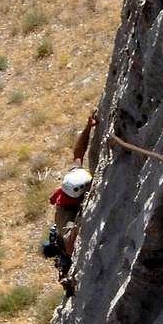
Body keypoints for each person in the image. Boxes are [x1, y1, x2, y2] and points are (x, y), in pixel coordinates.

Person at [44, 111, 96, 292]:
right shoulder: (66, 213)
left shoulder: (71, 183)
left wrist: (88, 127)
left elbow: (78, 153)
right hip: (64, 248)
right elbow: (69, 245)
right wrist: (81, 220)